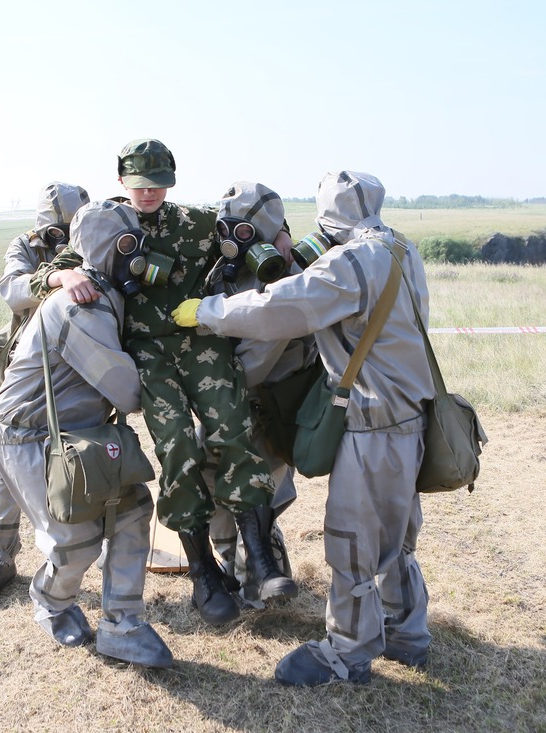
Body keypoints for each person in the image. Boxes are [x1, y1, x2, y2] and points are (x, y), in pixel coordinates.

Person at [171, 170, 435, 685]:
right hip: (409, 417)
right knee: (394, 536)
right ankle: (406, 631)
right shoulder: (400, 247)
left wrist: (207, 311)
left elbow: (282, 308)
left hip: (372, 422)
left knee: (354, 539)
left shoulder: (354, 261)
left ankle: (348, 652)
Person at [28, 139, 295, 626]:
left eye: (158, 184)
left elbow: (252, 226)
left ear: (171, 182)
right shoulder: (108, 222)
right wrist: (61, 280)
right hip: (149, 352)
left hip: (202, 339)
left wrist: (282, 239)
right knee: (176, 447)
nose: (148, 193)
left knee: (232, 428)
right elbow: (59, 262)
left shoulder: (196, 221)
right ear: (121, 182)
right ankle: (202, 573)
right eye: (138, 185)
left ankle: (260, 557)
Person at [0, 198, 172, 667]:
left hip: (82, 435)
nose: (141, 255)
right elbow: (126, 390)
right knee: (78, 541)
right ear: (109, 248)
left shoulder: (109, 294)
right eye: (130, 245)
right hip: (30, 436)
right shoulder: (80, 304)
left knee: (132, 511)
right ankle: (52, 602)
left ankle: (122, 624)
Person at [0, 182, 89, 600]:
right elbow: (13, 290)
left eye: (73, 230)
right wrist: (56, 275)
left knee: (87, 458)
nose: (66, 238)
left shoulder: (98, 241)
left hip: (80, 372)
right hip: (27, 371)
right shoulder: (24, 246)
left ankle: (79, 556)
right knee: (7, 464)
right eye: (58, 231)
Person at [202, 181, 313, 603]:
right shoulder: (226, 270)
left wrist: (203, 386)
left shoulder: (287, 279)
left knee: (265, 485)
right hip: (227, 399)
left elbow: (253, 364)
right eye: (226, 228)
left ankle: (262, 563)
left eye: (245, 231)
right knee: (213, 480)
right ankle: (230, 560)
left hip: (269, 403)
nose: (231, 239)